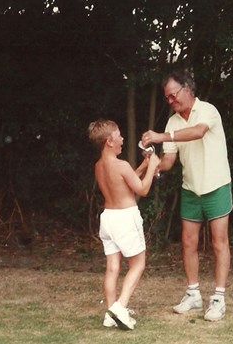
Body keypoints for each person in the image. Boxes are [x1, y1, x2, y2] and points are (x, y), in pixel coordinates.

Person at [141, 69, 232, 322]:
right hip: (191, 188)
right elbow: (170, 160)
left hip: (217, 185)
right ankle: (193, 295)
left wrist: (161, 136)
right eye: (167, 98)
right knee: (188, 243)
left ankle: (219, 298)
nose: (171, 101)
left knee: (218, 242)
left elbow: (198, 132)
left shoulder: (207, 111)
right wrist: (153, 162)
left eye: (173, 95)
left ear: (187, 89)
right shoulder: (172, 122)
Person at [88, 119, 160, 330]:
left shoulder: (99, 166)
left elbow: (123, 183)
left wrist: (143, 166)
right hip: (125, 218)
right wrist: (153, 166)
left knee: (112, 267)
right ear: (109, 141)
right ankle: (120, 307)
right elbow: (142, 190)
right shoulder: (121, 165)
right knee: (138, 264)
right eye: (119, 135)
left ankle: (110, 313)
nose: (122, 139)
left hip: (108, 218)